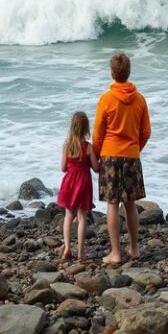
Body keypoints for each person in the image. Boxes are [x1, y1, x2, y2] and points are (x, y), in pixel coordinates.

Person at [93, 53, 151, 264]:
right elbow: (145, 132)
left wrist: (97, 156)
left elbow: (98, 133)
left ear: (111, 73)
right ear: (129, 72)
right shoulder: (140, 99)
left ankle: (115, 252)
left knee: (112, 204)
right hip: (131, 156)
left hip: (109, 155)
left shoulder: (106, 99)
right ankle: (134, 248)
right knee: (130, 205)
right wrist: (135, 149)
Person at [57, 111, 99, 261]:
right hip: (83, 183)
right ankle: (81, 252)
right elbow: (96, 168)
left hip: (69, 182)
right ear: (86, 129)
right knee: (82, 217)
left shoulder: (67, 146)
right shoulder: (88, 147)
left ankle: (67, 247)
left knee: (68, 216)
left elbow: (63, 168)